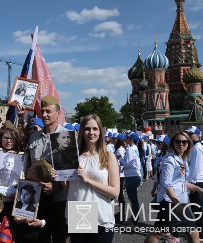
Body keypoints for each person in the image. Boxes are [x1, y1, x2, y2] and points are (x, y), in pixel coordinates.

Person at [144, 131, 203, 243]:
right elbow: (167, 184)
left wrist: (199, 189)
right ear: (173, 143)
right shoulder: (169, 160)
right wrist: (177, 204)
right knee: (158, 234)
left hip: (180, 201)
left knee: (193, 232)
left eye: (184, 141)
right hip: (171, 202)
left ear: (188, 144)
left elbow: (182, 182)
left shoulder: (182, 159)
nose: (181, 144)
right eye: (178, 141)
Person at [63, 114, 119, 243]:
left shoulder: (108, 156)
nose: (91, 132)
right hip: (78, 211)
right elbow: (70, 189)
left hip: (100, 213)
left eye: (95, 129)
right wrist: (60, 177)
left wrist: (88, 180)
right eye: (87, 129)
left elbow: (115, 192)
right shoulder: (73, 156)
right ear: (82, 131)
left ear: (100, 131)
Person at [26, 95, 69, 243]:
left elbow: (70, 172)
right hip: (37, 198)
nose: (44, 115)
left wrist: (55, 186)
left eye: (48, 111)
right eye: (42, 111)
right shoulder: (34, 138)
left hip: (60, 198)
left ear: (58, 113)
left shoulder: (66, 136)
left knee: (60, 236)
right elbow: (28, 167)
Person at [186, 126, 203, 241]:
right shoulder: (198, 147)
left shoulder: (196, 148)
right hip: (199, 179)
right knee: (197, 208)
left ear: (197, 135)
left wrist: (192, 183)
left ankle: (201, 233)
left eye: (191, 134)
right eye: (189, 134)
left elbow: (195, 167)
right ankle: (199, 230)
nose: (190, 136)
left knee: (198, 208)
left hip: (196, 181)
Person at [118, 132, 142, 227]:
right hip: (135, 176)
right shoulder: (135, 148)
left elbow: (128, 164)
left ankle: (134, 221)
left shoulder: (130, 149)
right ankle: (133, 219)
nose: (126, 140)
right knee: (134, 200)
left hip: (131, 177)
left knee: (133, 201)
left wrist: (120, 159)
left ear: (131, 140)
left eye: (127, 138)